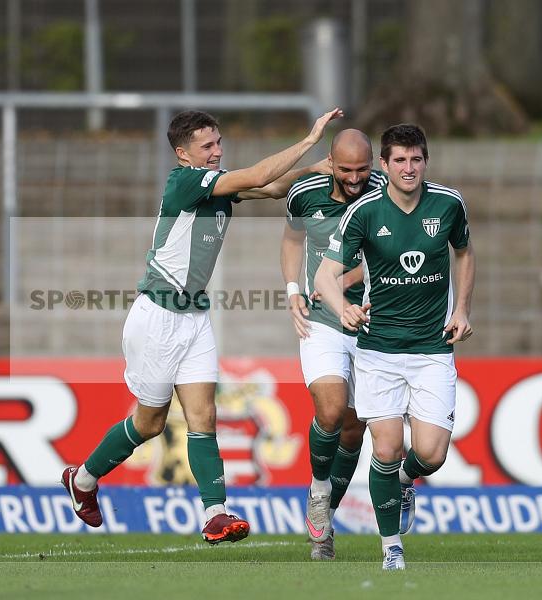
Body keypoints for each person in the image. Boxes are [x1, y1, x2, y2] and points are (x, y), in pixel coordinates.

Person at [62, 107, 343, 544]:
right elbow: (254, 177)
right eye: (207, 146)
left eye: (218, 143)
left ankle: (215, 513)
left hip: (194, 316)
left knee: (203, 416)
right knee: (149, 423)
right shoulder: (185, 183)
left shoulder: (215, 183)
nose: (216, 152)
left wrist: (317, 169)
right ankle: (82, 480)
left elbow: (271, 187)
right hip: (158, 317)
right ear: (183, 154)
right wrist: (308, 142)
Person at [315, 124, 475, 570]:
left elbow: (464, 252)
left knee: (431, 454)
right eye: (399, 160)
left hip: (431, 349)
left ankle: (407, 479)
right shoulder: (365, 212)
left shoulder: (448, 204)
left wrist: (461, 309)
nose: (409, 168)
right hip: (378, 350)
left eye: (416, 159)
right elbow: (325, 276)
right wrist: (341, 308)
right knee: (384, 448)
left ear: (426, 161)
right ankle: (391, 550)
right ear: (384, 166)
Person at [281, 129, 384, 560]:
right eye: (346, 169)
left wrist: (339, 280)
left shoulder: (386, 191)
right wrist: (291, 289)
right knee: (330, 407)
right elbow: (291, 239)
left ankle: (324, 526)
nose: (356, 177)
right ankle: (319, 493)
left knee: (355, 426)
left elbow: (386, 255)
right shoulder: (304, 193)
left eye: (363, 169)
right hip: (322, 321)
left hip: (371, 321)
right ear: (331, 162)